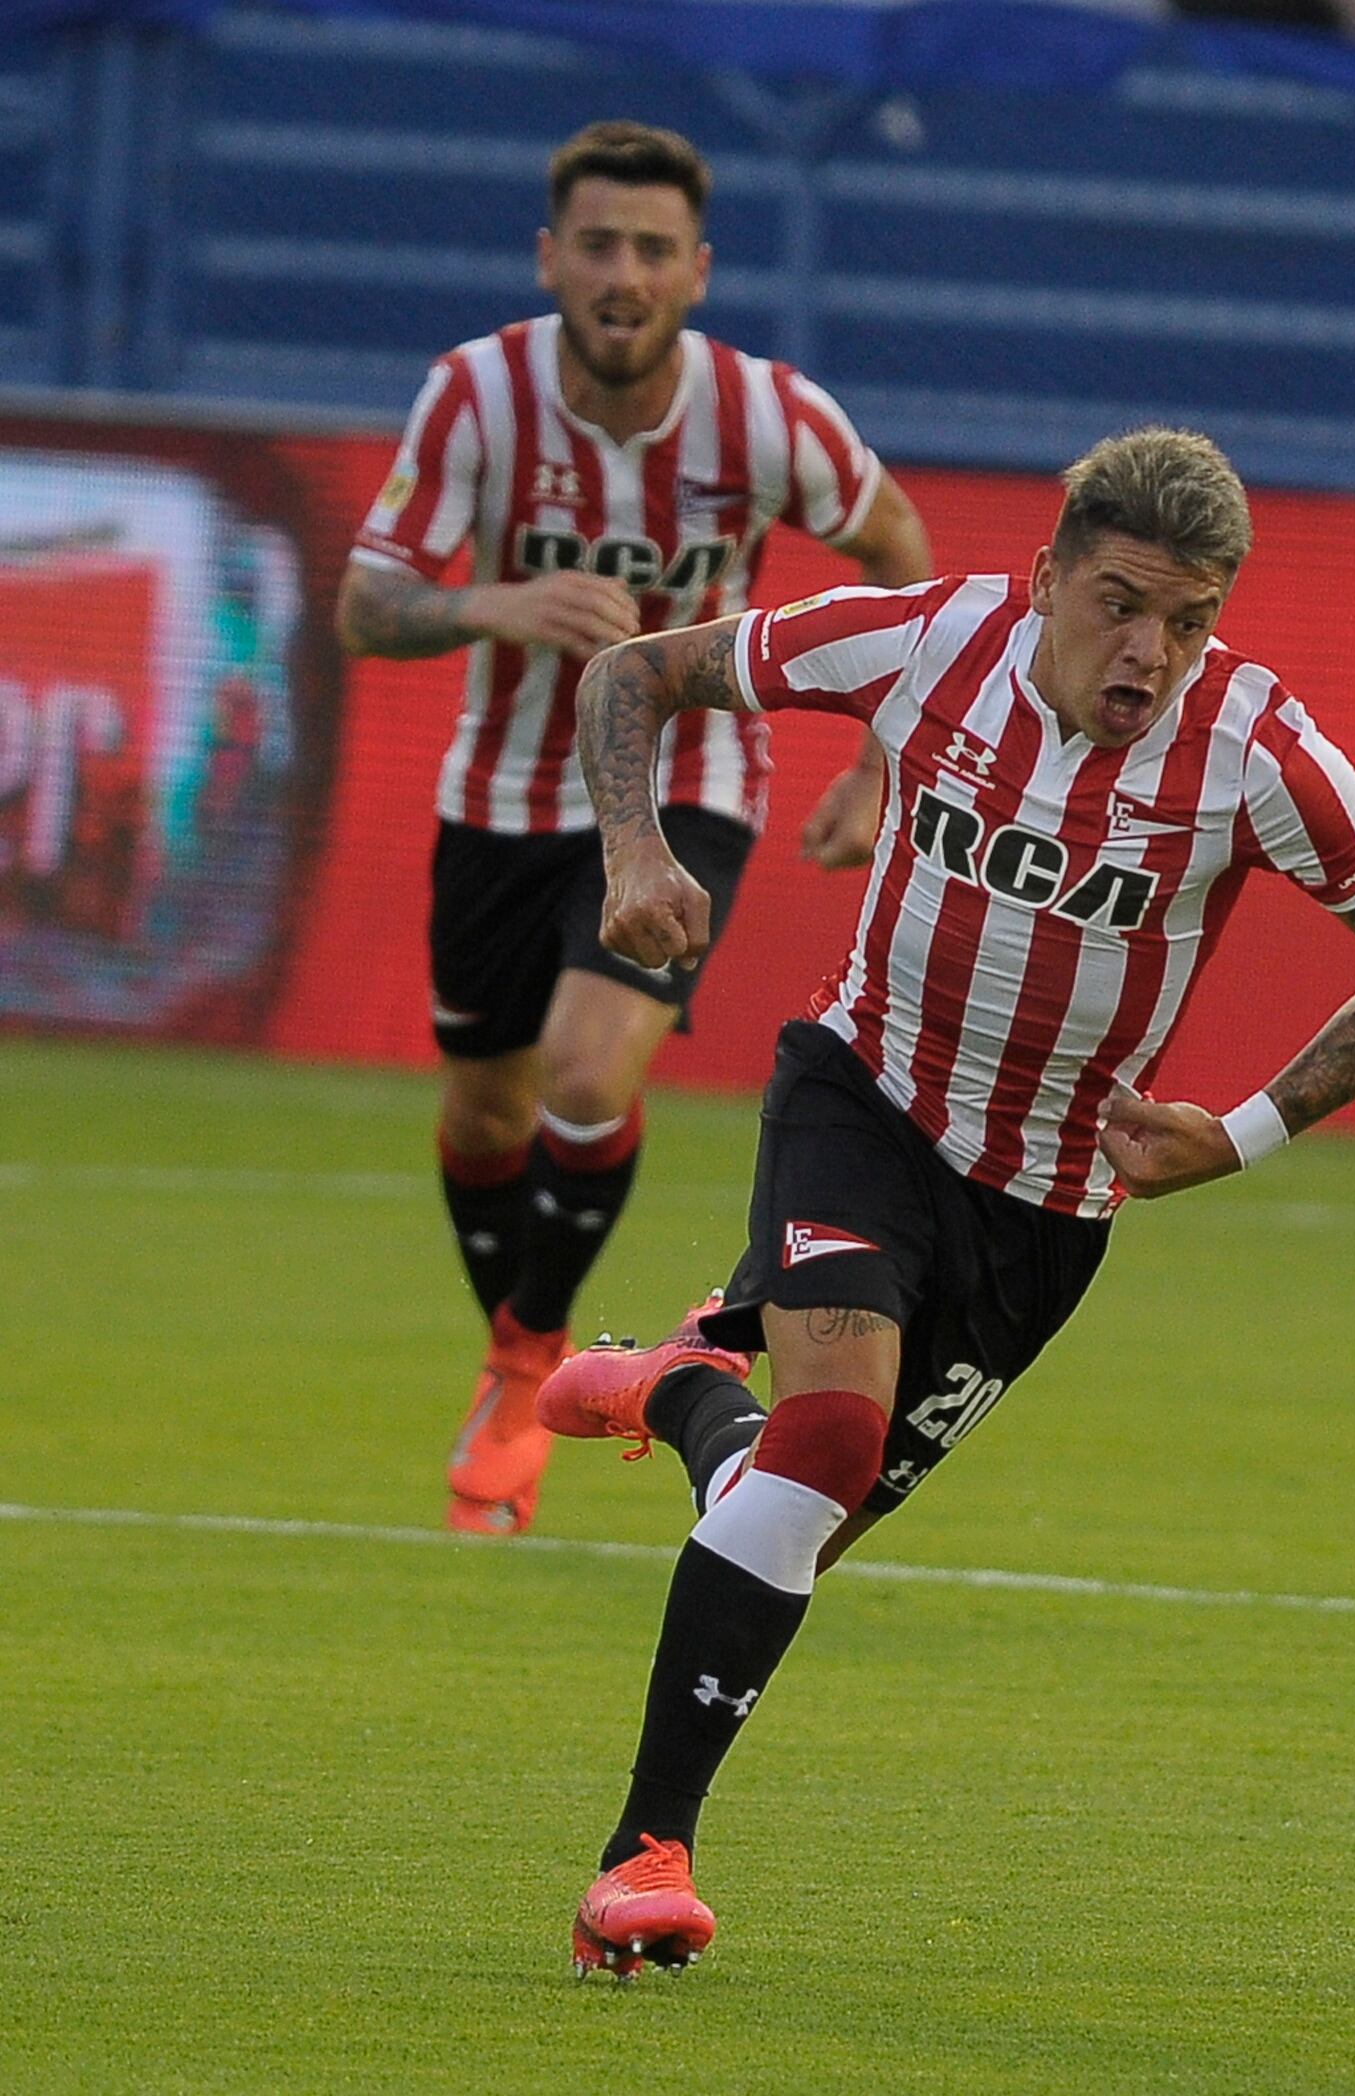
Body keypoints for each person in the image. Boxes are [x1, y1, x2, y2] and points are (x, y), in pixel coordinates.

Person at [529, 427, 1355, 1977]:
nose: (1151, 651)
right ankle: (643, 1863)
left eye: (1190, 619)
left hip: (1045, 1207)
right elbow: (633, 673)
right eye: (1120, 604)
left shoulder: (1259, 751)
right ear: (1046, 578)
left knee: (785, 1525)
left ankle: (694, 1382)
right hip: (862, 1099)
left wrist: (1235, 1135)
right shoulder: (926, 639)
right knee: (827, 1443)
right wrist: (635, 852)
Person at [336, 120, 928, 1537]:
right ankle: (520, 1339)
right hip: (497, 794)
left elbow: (897, 555)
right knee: (485, 1108)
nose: (622, 273)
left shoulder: (769, 416)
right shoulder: (475, 396)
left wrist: (876, 767)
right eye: (596, 244)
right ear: (550, 258)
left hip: (690, 778)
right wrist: (493, 603)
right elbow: (367, 604)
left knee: (589, 1078)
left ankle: (536, 1355)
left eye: (652, 250)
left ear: (698, 273)